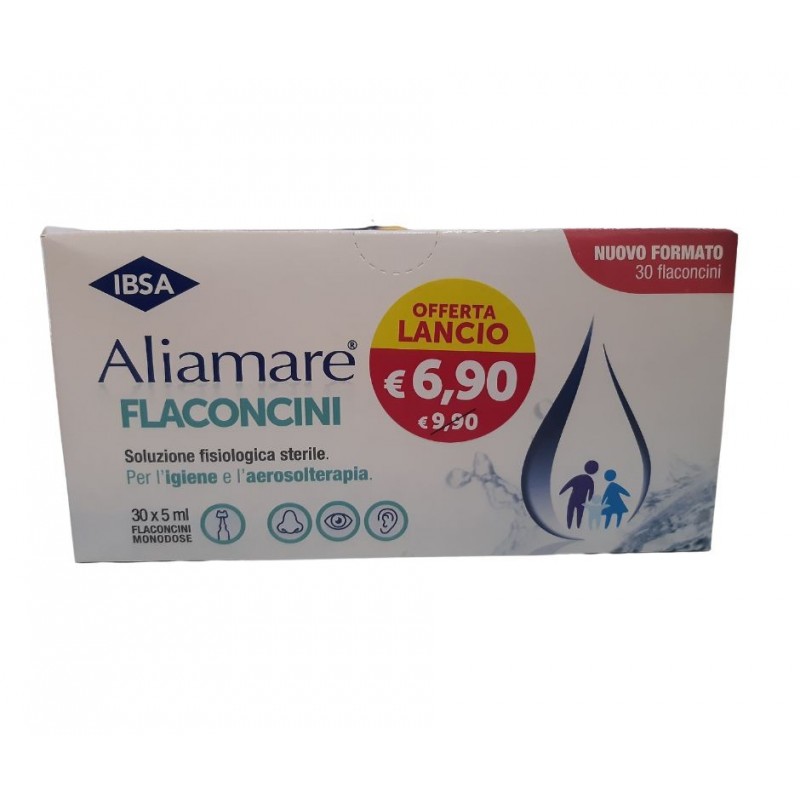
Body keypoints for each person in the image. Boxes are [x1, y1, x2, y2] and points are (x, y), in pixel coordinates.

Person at [559, 460, 599, 529]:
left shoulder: (580, 478)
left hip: (573, 498)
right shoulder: (589, 480)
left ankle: (570, 525)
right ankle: (576, 525)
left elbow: (568, 485)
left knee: (571, 512)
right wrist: (589, 498)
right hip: (581, 500)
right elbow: (591, 491)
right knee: (578, 514)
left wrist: (561, 491)